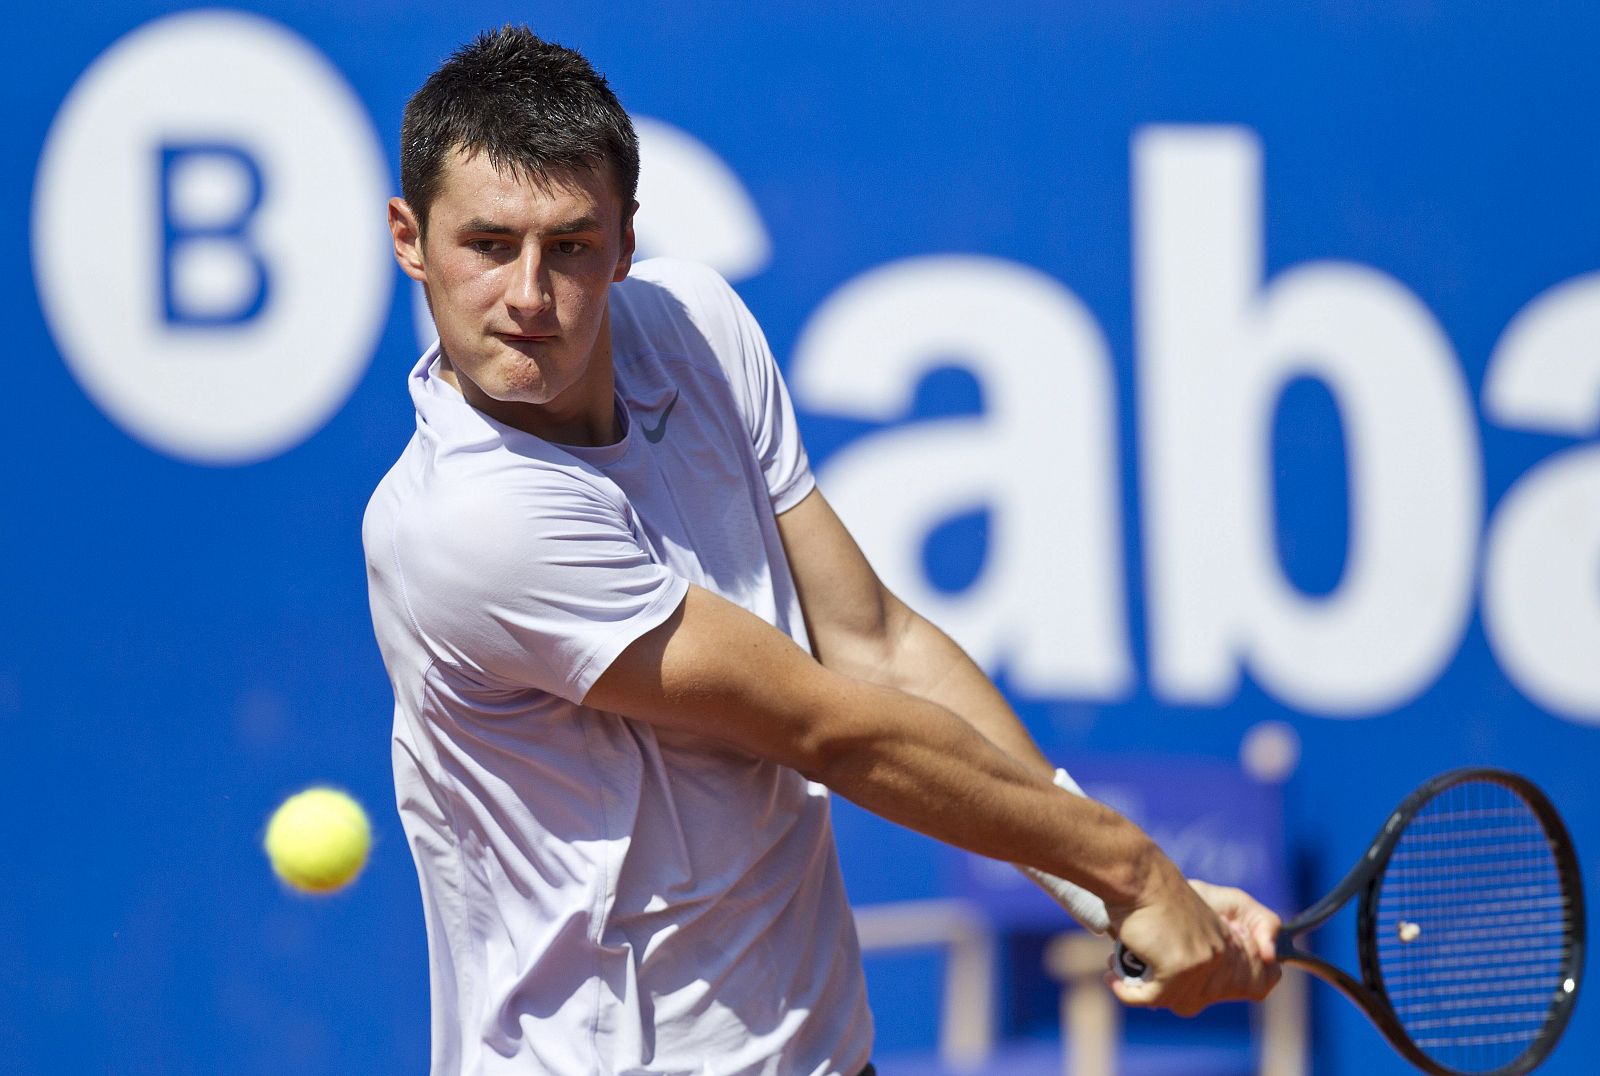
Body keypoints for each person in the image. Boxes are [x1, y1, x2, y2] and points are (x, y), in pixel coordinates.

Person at [363, 24, 1280, 1076]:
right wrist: (1132, 870)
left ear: (622, 243)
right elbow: (827, 728)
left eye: (569, 245)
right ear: (410, 238)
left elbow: (875, 641)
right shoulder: (471, 521)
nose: (529, 294)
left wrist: (1103, 889)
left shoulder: (697, 325)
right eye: (488, 244)